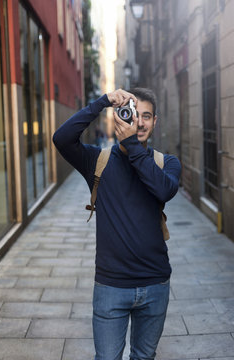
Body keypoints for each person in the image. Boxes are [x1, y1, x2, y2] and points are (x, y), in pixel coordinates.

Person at [52, 88, 181, 360]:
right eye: (134, 115)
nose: (140, 122)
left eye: (146, 116)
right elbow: (61, 138)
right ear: (120, 117)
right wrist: (103, 101)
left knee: (144, 357)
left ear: (155, 121)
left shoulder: (167, 163)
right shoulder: (97, 162)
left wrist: (133, 145)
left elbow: (164, 191)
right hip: (111, 287)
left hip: (155, 285)